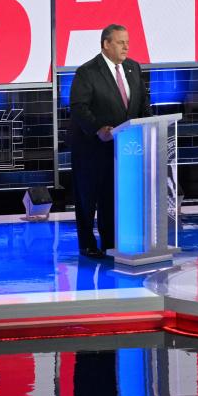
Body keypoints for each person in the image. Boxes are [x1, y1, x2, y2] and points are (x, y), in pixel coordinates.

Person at [68, 24, 152, 258]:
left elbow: (142, 105)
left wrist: (151, 126)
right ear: (106, 44)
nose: (126, 46)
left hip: (125, 148)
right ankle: (86, 244)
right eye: (120, 42)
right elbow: (78, 107)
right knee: (88, 198)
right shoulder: (87, 72)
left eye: (127, 41)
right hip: (92, 148)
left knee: (112, 197)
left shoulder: (133, 68)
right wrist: (97, 129)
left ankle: (110, 243)